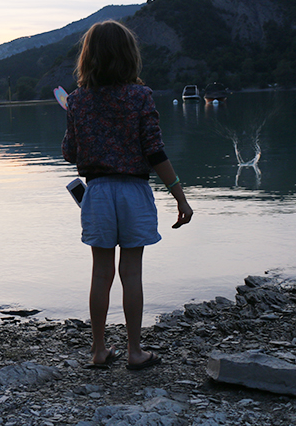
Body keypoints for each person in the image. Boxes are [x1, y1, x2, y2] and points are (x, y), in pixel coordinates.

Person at [62, 20, 193, 370]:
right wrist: (179, 196)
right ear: (129, 56)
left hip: (99, 191)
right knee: (131, 273)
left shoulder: (78, 101)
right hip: (134, 191)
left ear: (88, 58)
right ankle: (135, 351)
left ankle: (98, 351)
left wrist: (73, 119)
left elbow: (70, 154)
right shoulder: (140, 96)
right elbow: (155, 151)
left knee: (101, 272)